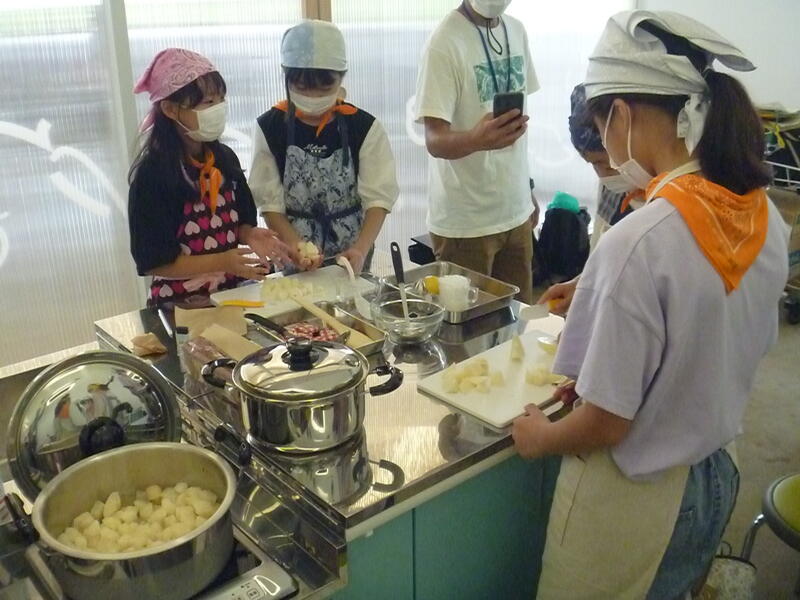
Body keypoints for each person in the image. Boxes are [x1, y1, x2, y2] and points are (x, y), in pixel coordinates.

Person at [511, 11, 789, 599]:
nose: (608, 153)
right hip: (718, 469)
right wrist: (599, 290)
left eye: (602, 129)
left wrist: (541, 438)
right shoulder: (763, 214)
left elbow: (608, 420)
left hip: (640, 497)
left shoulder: (639, 241)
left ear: (621, 115)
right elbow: (721, 327)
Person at [128, 48, 289, 308]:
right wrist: (221, 261)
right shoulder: (153, 176)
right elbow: (155, 262)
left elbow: (240, 223)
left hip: (231, 296)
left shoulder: (225, 159)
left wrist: (250, 234)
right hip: (179, 305)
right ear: (170, 109)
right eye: (207, 102)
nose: (218, 109)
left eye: (220, 100)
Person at [249, 20, 399, 275]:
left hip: (351, 254)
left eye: (324, 87)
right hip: (293, 251)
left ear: (342, 76)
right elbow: (270, 204)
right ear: (285, 75)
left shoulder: (363, 127)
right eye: (301, 87)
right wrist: (296, 246)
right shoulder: (270, 128)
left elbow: (378, 199)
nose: (313, 97)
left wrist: (361, 249)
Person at [414, 0, 539, 303]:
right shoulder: (444, 42)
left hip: (516, 212)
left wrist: (528, 189)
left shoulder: (516, 30)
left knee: (518, 318)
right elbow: (434, 139)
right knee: (467, 323)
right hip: (465, 222)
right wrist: (475, 139)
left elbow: (516, 129)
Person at [538, 84, 645, 315]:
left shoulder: (668, 203)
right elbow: (602, 251)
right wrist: (583, 283)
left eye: (606, 163)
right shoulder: (613, 186)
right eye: (595, 164)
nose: (605, 173)